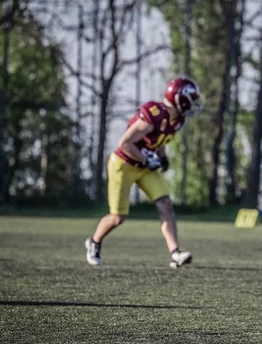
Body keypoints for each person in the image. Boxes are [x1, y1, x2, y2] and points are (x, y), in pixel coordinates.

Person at [85, 77, 202, 268]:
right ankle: (94, 242)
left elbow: (161, 140)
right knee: (118, 217)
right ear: (180, 100)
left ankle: (175, 253)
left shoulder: (178, 119)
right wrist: (147, 160)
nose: (194, 105)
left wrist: (162, 157)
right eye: (192, 99)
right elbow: (124, 143)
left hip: (145, 167)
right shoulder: (153, 115)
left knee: (165, 204)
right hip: (123, 164)